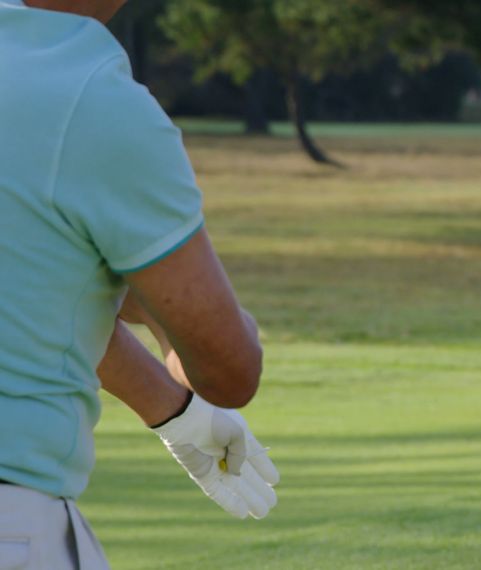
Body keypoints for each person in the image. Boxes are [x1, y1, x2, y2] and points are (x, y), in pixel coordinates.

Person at [0, 1, 279, 568]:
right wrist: (151, 305)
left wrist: (173, 411)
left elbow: (29, 293)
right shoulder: (87, 95)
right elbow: (228, 368)